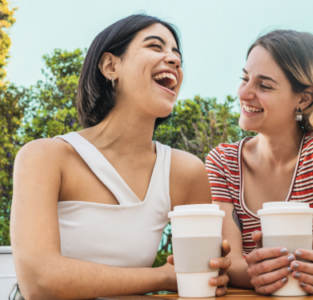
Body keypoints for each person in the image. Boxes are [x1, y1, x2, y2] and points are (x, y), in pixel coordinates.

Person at [11, 14, 230, 300]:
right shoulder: (44, 157)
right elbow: (39, 281)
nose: (174, 60)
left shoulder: (185, 171)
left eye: (177, 55)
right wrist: (163, 276)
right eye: (155, 46)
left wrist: (211, 271)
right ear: (111, 66)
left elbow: (201, 278)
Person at [206, 30, 313, 295]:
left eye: (264, 85)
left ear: (304, 98)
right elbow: (231, 262)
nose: (244, 94)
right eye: (244, 79)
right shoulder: (222, 163)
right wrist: (256, 275)